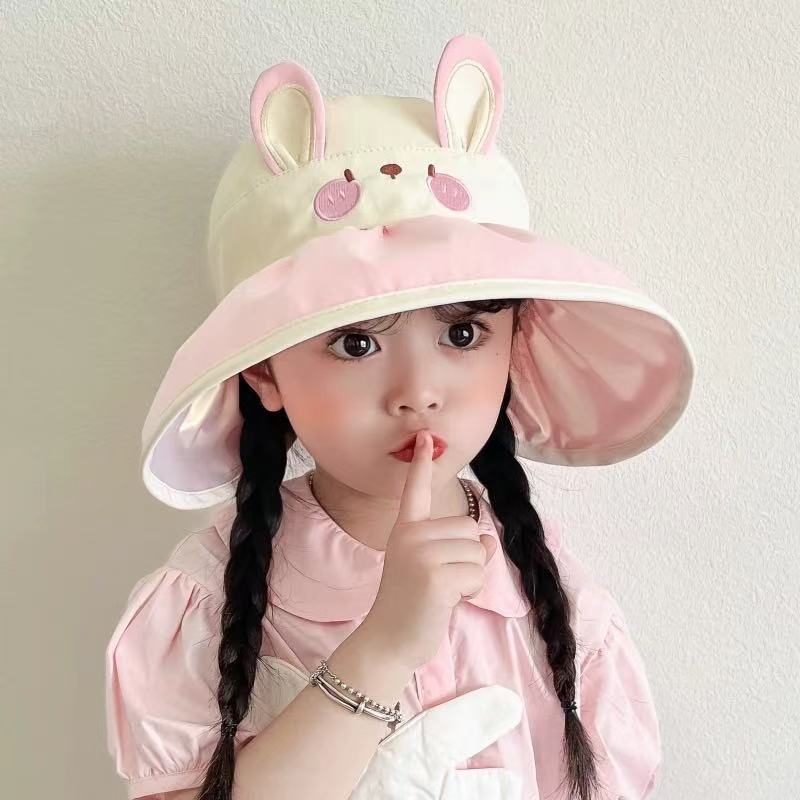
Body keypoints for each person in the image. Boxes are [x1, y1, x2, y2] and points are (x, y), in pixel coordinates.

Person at [104, 33, 696, 800]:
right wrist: (382, 649)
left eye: (463, 334)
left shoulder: (554, 601)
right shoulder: (206, 604)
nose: (419, 392)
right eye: (356, 343)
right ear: (263, 369)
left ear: (513, 343)